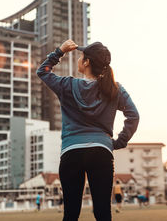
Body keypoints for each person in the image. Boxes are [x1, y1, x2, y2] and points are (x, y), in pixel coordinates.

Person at [37, 40, 139, 221]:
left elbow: (43, 71)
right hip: (101, 152)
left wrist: (59, 52)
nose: (78, 60)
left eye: (80, 57)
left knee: (71, 214)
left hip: (71, 153)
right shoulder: (115, 89)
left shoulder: (67, 85)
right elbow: (133, 116)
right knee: (102, 213)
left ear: (86, 63)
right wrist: (117, 142)